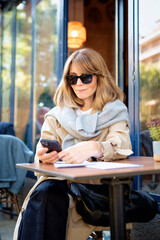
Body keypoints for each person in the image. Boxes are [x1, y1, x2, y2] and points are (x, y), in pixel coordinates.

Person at [14, 48, 133, 240]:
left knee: (48, 197)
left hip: (98, 187)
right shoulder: (56, 115)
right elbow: (39, 157)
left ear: (99, 77)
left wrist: (95, 147)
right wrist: (44, 157)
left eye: (86, 77)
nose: (78, 83)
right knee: (45, 193)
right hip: (60, 183)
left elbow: (122, 143)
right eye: (72, 78)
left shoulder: (115, 110)